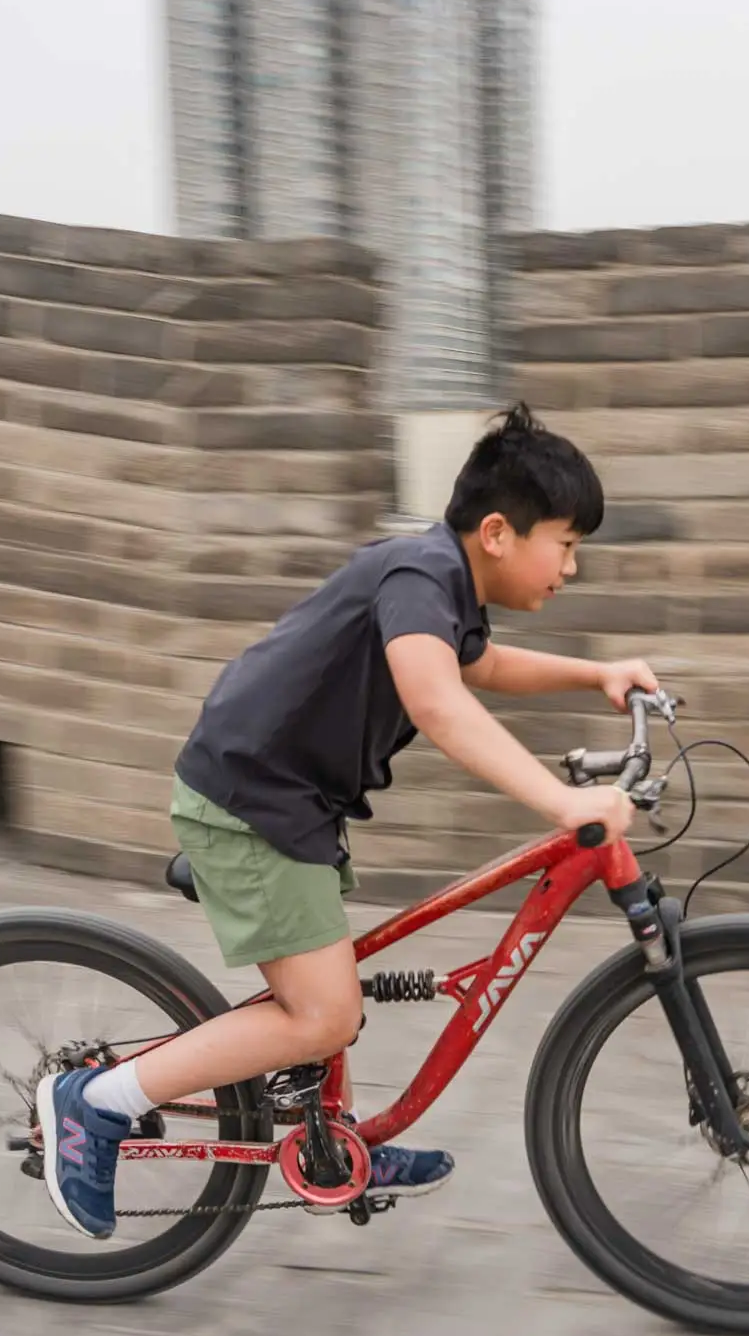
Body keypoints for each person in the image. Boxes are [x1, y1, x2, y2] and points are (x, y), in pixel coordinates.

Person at [37, 403, 658, 1240]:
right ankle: (95, 1102)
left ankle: (334, 1141)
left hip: (294, 800)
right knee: (323, 1012)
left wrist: (600, 675)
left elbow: (480, 665)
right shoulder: (416, 573)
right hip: (251, 800)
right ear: (501, 532)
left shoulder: (448, 587)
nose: (571, 568)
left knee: (330, 984)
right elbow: (437, 700)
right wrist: (563, 800)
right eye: (567, 544)